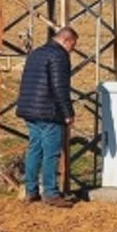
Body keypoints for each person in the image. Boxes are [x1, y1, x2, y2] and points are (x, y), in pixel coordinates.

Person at [16, 26, 79, 208]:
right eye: (73, 45)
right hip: (48, 111)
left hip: (29, 109)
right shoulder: (59, 56)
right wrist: (68, 113)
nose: (72, 50)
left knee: (34, 149)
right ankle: (51, 193)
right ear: (66, 40)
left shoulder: (36, 53)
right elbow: (60, 87)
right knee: (51, 152)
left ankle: (31, 190)